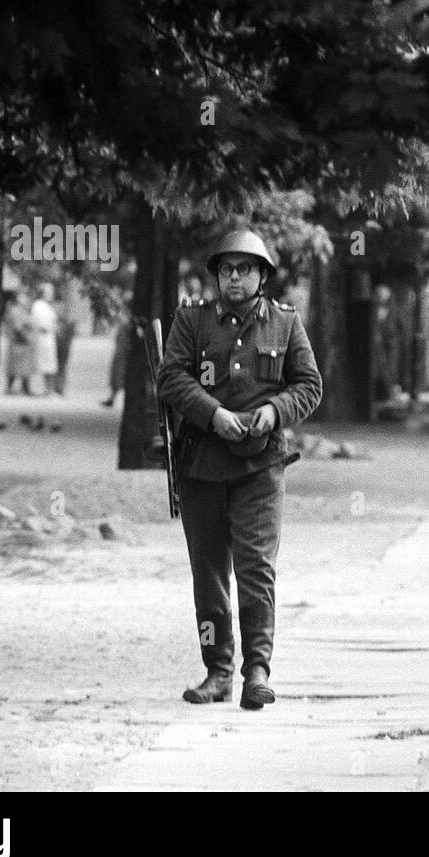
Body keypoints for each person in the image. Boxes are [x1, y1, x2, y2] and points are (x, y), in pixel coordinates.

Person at [158, 228, 323, 710]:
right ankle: (217, 670)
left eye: (245, 268)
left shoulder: (285, 324)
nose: (235, 277)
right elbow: (171, 377)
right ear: (216, 276)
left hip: (261, 466)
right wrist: (213, 414)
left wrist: (274, 412)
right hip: (201, 464)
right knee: (208, 576)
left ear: (262, 276)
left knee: (256, 571)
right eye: (227, 269)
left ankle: (257, 670)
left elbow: (309, 384)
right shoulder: (192, 321)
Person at [28, 281, 60, 396]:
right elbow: (38, 323)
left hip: (49, 337)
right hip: (42, 337)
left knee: (49, 364)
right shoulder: (38, 305)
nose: (52, 294)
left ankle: (49, 389)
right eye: (49, 292)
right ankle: (37, 389)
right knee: (40, 364)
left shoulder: (47, 306)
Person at [103, 289, 132, 408]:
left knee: (122, 375)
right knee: (117, 375)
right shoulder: (125, 317)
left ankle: (119, 399)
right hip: (120, 350)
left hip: (124, 351)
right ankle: (112, 398)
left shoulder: (128, 319)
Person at [2, 289, 35, 395]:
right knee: (17, 366)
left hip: (20, 341)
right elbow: (18, 327)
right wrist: (26, 336)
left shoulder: (18, 310)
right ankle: (18, 387)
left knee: (21, 366)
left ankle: (24, 387)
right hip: (19, 342)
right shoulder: (15, 310)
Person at [53, 286, 78, 396]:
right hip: (60, 340)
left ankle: (60, 387)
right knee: (60, 365)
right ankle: (58, 386)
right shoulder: (59, 307)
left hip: (63, 341)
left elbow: (72, 327)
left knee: (61, 365)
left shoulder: (63, 308)